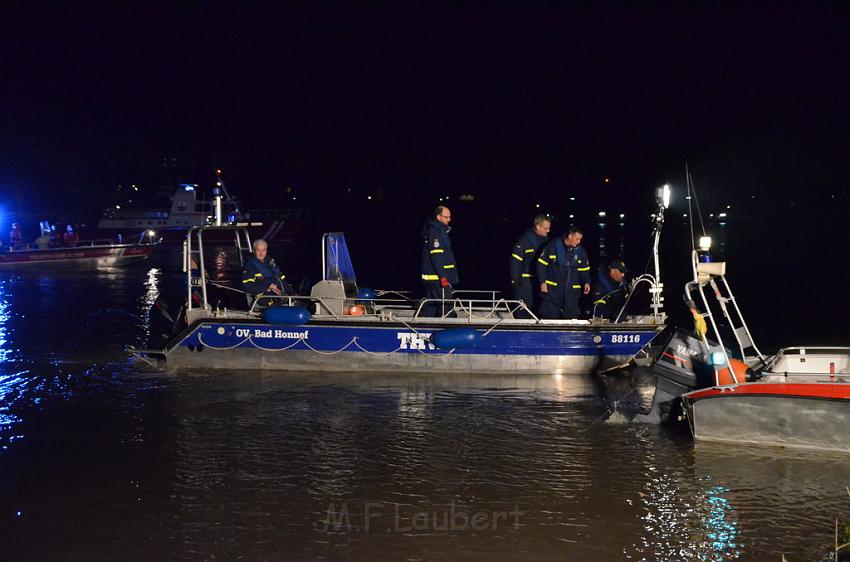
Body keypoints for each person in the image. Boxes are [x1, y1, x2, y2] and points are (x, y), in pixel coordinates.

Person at [536, 226, 591, 319]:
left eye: (580, 239)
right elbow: (541, 265)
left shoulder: (580, 251)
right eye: (577, 239)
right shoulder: (553, 246)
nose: (579, 242)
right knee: (549, 316)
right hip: (552, 291)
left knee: (572, 317)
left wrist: (586, 282)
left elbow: (584, 269)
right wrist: (542, 282)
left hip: (571, 292)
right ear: (570, 236)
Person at [509, 214, 551, 318]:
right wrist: (516, 283)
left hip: (540, 282)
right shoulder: (523, 241)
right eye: (546, 228)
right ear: (538, 227)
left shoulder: (548, 242)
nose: (548, 231)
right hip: (525, 282)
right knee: (523, 311)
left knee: (539, 311)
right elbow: (515, 264)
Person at [420, 205, 458, 317]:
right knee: (446, 305)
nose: (449, 219)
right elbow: (437, 256)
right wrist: (443, 277)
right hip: (438, 278)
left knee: (432, 305)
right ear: (439, 217)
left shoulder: (438, 230)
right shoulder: (436, 232)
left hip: (435, 277)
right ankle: (449, 328)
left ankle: (426, 327)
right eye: (446, 217)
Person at [242, 238, 288, 307]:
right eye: (258, 250)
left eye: (263, 250)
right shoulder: (250, 266)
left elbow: (281, 278)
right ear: (254, 251)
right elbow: (247, 286)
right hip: (264, 301)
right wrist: (267, 287)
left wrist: (289, 290)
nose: (261, 253)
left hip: (279, 296)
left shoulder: (271, 263)